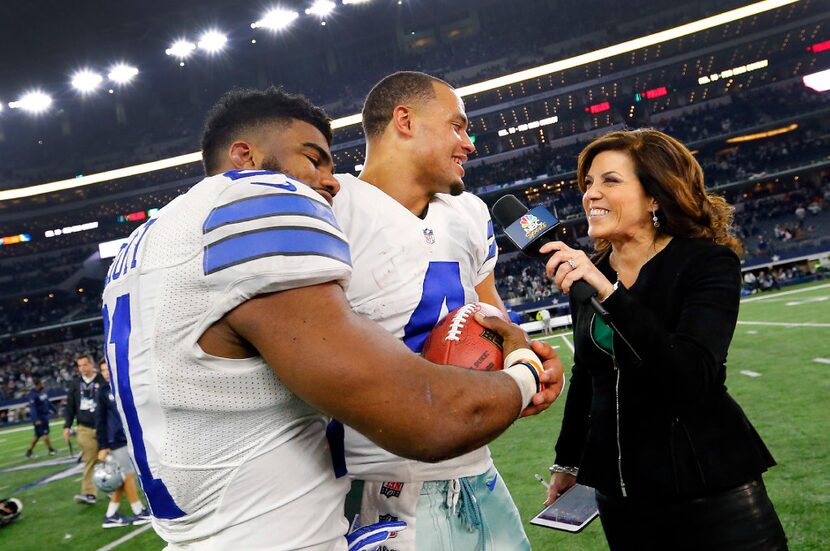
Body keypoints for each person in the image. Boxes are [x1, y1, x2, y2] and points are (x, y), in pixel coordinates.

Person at [101, 86, 564, 550]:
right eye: (314, 159)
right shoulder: (270, 210)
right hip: (372, 487)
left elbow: (491, 320)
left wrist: (511, 356)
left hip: (225, 514)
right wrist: (521, 373)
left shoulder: (148, 244)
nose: (331, 180)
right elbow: (424, 417)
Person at [541, 129, 787, 550]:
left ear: (654, 196)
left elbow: (692, 373)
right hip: (623, 500)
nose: (591, 195)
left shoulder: (707, 262)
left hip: (710, 494)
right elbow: (589, 377)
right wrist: (568, 462)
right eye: (588, 184)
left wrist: (610, 294)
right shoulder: (593, 270)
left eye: (610, 181)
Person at [332, 71, 539, 550]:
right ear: (404, 120)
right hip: (379, 483)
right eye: (457, 127)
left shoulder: (469, 214)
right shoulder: (332, 209)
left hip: (476, 467)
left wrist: (518, 366)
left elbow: (491, 315)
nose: (469, 144)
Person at [95, 358, 151, 528]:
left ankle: (110, 515)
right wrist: (103, 445)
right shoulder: (103, 391)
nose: (106, 373)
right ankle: (138, 511)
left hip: (127, 437)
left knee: (122, 478)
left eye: (107, 369)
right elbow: (100, 420)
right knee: (127, 475)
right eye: (103, 370)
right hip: (115, 439)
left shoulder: (123, 384)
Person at [63, 353, 104, 505]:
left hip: (104, 427)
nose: (82, 368)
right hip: (85, 428)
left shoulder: (102, 380)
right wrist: (67, 426)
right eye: (79, 366)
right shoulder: (75, 384)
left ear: (92, 364)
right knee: (90, 460)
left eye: (85, 365)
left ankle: (116, 487)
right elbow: (70, 407)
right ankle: (89, 493)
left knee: (111, 459)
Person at [25, 378, 57, 458]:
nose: (43, 385)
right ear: (38, 385)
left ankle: (29, 452)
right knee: (45, 433)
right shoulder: (33, 395)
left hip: (44, 416)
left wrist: (54, 410)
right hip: (40, 417)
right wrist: (36, 419)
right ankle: (50, 450)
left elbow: (48, 402)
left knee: (37, 435)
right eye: (42, 384)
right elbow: (33, 409)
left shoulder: (42, 393)